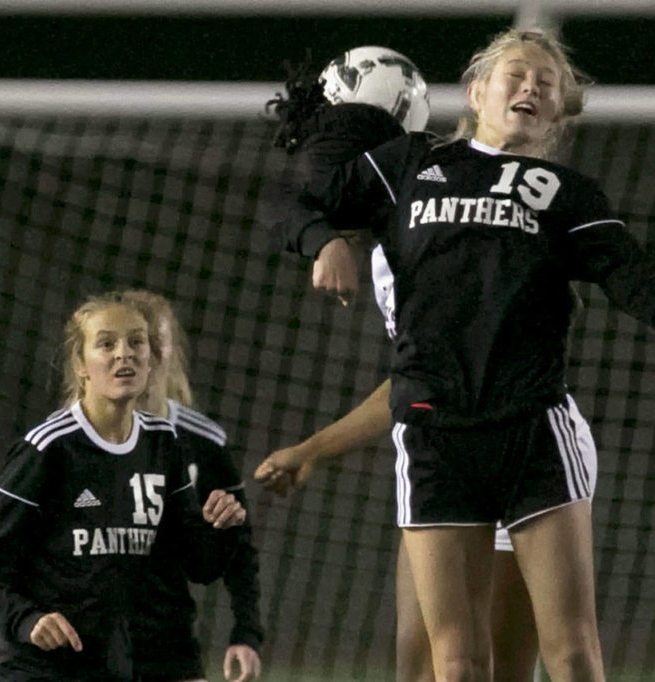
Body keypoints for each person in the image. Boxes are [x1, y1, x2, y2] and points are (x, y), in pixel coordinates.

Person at [262, 27, 655, 681]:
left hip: (532, 429)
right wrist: (322, 241)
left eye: (546, 84)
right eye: (516, 75)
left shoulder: (566, 195)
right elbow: (291, 196)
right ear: (476, 92)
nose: (531, 87)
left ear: (559, 112)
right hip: (435, 432)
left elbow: (639, 278)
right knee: (456, 663)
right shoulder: (408, 165)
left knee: (573, 653)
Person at [260, 63, 547, 681]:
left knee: (494, 671)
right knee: (419, 667)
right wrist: (314, 449)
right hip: (438, 459)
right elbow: (419, 379)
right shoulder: (392, 247)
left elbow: (457, 366)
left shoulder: (447, 206)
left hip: (510, 450)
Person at [0, 292, 247, 681]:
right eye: (106, 343)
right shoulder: (50, 448)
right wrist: (25, 619)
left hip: (123, 665)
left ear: (151, 359)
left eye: (136, 342)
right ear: (81, 365)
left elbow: (197, 564)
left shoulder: (163, 442)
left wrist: (220, 527)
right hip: (44, 669)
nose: (123, 354)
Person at [122, 290, 263, 682]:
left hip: (167, 646)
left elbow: (239, 546)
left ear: (171, 350)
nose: (144, 355)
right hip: (82, 644)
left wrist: (246, 633)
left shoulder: (202, 441)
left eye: (156, 342)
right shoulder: (68, 440)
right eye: (136, 342)